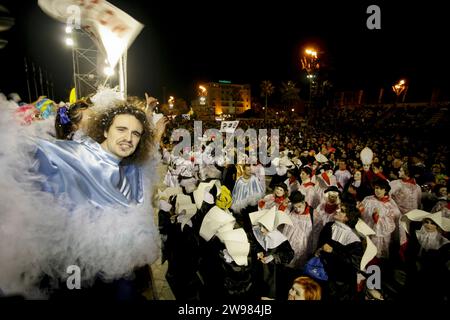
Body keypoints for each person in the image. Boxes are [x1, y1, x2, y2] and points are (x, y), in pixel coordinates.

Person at [0, 103, 162, 299]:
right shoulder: (75, 154)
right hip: (74, 267)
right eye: (121, 129)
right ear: (105, 130)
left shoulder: (132, 170)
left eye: (136, 134)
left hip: (113, 269)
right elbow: (21, 150)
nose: (128, 138)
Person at [315, 201, 363, 301]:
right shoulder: (329, 226)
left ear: (347, 217)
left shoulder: (354, 239)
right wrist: (318, 250)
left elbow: (354, 264)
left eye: (341, 210)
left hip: (339, 282)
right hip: (320, 273)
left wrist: (333, 251)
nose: (337, 210)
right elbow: (320, 244)